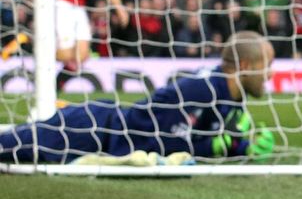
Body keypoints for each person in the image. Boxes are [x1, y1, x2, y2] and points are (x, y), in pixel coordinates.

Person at [0, 32, 275, 165]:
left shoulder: (231, 97)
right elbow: (160, 140)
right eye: (267, 65)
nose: (270, 75)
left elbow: (204, 140)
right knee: (8, 148)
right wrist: (214, 146)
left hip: (102, 136)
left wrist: (242, 147)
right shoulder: (204, 89)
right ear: (248, 65)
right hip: (92, 130)